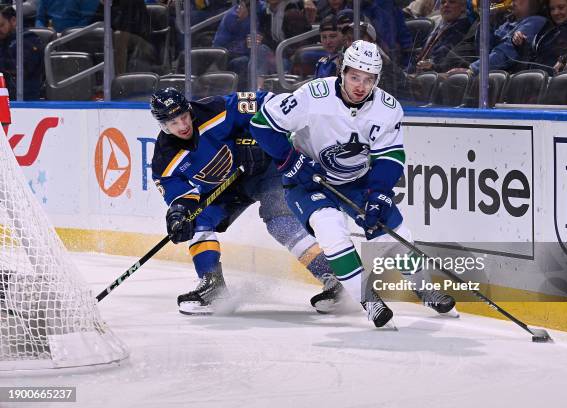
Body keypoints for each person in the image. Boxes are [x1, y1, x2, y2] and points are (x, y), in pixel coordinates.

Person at [250, 40, 458, 328]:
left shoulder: (388, 108)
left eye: (369, 79)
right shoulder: (312, 95)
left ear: (377, 80)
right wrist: (291, 161)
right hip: (310, 183)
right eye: (355, 77)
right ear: (342, 72)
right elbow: (262, 125)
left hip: (357, 181)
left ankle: (424, 288)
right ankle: (368, 300)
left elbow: (390, 156)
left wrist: (380, 194)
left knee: (393, 234)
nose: (361, 86)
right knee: (331, 231)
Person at [150, 88, 345, 315]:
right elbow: (179, 196)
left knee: (280, 220)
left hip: (264, 170)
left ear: (189, 110)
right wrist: (179, 214)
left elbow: (270, 102)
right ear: (163, 125)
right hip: (225, 190)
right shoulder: (164, 158)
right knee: (194, 219)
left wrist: (261, 136)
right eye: (173, 123)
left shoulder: (216, 110)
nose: (182, 125)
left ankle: (334, 277)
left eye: (183, 117)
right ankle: (213, 288)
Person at [469, 0, 547, 74]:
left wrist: (473, 69)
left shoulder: (536, 21)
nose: (512, 1)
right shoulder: (508, 22)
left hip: (513, 81)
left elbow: (505, 54)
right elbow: (484, 53)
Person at [528, 0, 567, 74]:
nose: (555, 13)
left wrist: (564, 59)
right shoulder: (547, 27)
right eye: (552, 9)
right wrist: (521, 44)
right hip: (536, 77)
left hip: (563, 79)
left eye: (561, 7)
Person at [0, 5, 43, 100]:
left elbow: (19, 69)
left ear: (13, 21)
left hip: (24, 100)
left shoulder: (29, 40)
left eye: (1, 25)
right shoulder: (2, 40)